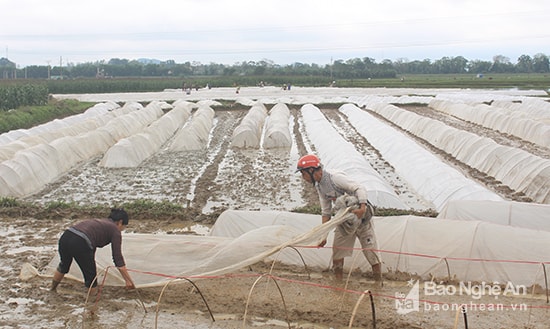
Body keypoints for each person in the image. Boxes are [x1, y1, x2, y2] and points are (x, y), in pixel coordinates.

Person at [296, 154, 382, 284]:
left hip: (361, 218)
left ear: (311, 170)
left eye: (303, 174)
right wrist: (323, 235)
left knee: (371, 253)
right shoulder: (320, 186)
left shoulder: (334, 178)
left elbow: (359, 188)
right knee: (337, 253)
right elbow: (326, 212)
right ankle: (339, 285)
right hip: (345, 222)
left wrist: (362, 208)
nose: (303, 178)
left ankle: (378, 283)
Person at [50, 208, 136, 293]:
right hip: (80, 242)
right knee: (91, 277)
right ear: (120, 222)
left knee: (64, 265)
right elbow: (118, 258)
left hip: (66, 236)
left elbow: (91, 243)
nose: (122, 230)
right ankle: (91, 301)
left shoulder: (100, 223)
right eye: (124, 227)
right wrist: (128, 280)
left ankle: (52, 289)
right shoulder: (115, 230)